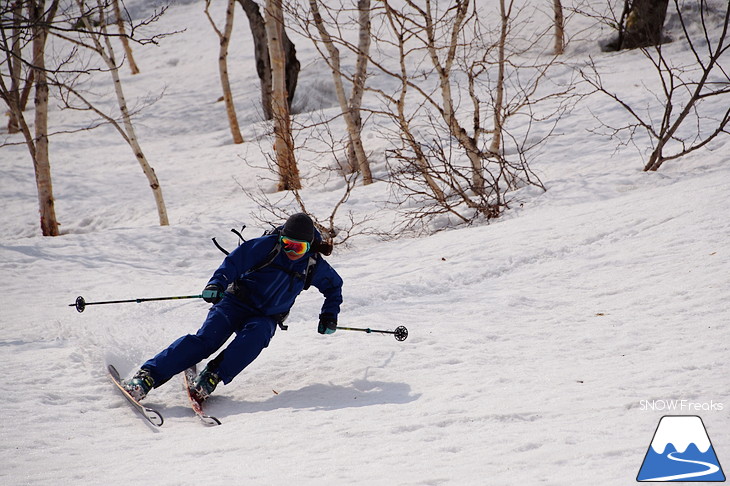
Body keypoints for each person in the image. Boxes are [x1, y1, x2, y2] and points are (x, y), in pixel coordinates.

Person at [122, 213, 343, 402]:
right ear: (281, 238)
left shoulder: (313, 265)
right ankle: (147, 377)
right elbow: (234, 263)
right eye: (287, 243)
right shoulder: (267, 246)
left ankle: (211, 377)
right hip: (235, 303)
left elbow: (334, 288)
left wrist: (329, 316)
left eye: (299, 247)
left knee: (254, 339)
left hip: (266, 317)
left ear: (309, 246)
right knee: (207, 340)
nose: (291, 251)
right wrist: (216, 283)